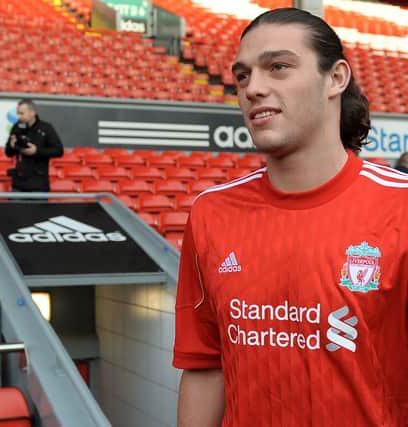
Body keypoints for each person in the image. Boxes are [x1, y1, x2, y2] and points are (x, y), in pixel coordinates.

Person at [174, 8, 407, 426]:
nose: (253, 89)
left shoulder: (400, 209)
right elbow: (205, 365)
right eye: (242, 76)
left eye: (278, 67)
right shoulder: (211, 213)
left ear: (336, 78)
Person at [4, 99, 63, 192]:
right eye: (18, 113)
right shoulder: (16, 127)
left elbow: (58, 151)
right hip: (19, 184)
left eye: (22, 113)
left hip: (39, 185)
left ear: (32, 113)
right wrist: (12, 146)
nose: (19, 116)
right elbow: (8, 153)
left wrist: (37, 151)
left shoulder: (46, 128)